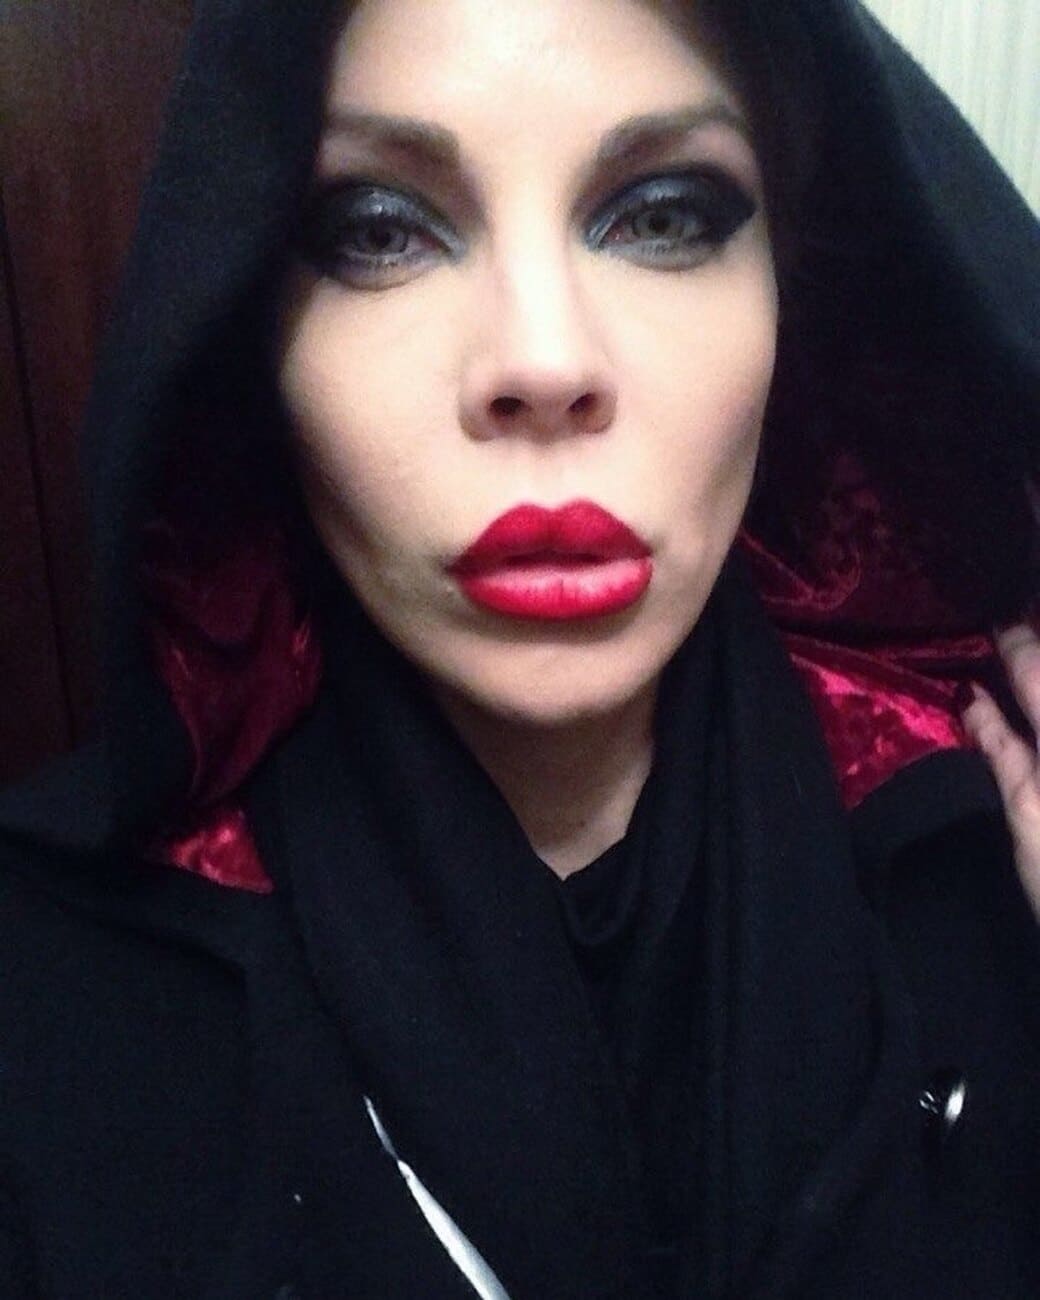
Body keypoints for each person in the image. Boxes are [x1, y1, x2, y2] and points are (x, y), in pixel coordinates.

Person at [0, 0, 1037, 1295]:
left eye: (665, 215)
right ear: (244, 331)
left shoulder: (989, 867)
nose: (543, 363)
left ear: (796, 298)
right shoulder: (41, 1003)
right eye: (380, 229)